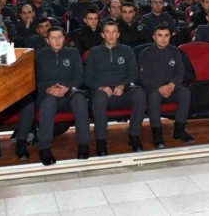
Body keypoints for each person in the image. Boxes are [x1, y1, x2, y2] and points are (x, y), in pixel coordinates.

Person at [84, 22, 146, 155]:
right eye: (107, 32)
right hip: (103, 92)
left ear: (118, 34)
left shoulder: (127, 50)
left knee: (139, 94)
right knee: (99, 98)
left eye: (114, 32)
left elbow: (134, 74)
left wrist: (123, 85)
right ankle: (101, 141)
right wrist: (100, 87)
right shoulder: (94, 52)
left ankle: (134, 136)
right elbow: (87, 77)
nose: (111, 35)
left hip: (123, 91)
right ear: (102, 35)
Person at [34, 27, 91, 165]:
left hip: (69, 92)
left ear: (64, 38)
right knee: (48, 104)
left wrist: (68, 88)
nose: (57, 40)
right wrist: (48, 89)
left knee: (80, 99)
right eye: (53, 38)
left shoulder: (73, 53)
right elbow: (34, 80)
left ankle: (83, 144)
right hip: (48, 94)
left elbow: (80, 77)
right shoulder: (39, 55)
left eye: (59, 37)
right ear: (47, 40)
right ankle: (44, 148)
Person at [138, 27, 194, 149]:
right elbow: (142, 77)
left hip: (171, 88)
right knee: (153, 97)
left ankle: (179, 130)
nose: (163, 39)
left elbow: (181, 73)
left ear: (170, 37)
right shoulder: (146, 53)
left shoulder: (175, 51)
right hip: (154, 89)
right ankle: (157, 134)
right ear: (154, 37)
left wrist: (172, 84)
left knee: (185, 92)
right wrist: (159, 87)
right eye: (160, 35)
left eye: (166, 35)